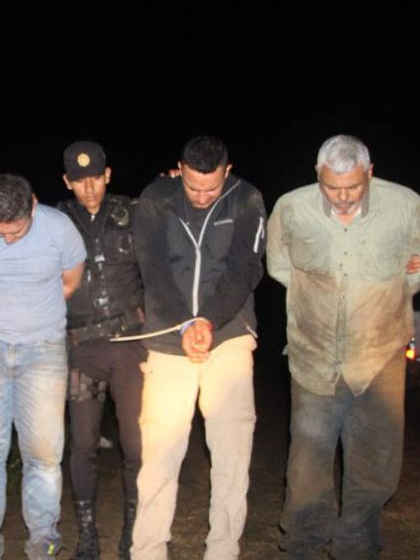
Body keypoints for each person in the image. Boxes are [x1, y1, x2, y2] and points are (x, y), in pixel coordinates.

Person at [266, 134, 420, 558]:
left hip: (379, 356)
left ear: (370, 173)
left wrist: (387, 291)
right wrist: (320, 300)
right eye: (331, 187)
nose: (342, 198)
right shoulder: (291, 209)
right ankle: (304, 545)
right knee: (307, 466)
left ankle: (357, 544)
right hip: (314, 356)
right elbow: (279, 267)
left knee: (375, 465)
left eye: (353, 187)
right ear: (317, 176)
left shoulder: (406, 206)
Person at [130, 136, 266, 560]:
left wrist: (207, 320)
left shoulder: (247, 199)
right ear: (180, 170)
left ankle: (223, 552)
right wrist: (185, 322)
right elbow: (152, 271)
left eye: (212, 187)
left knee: (230, 457)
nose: (203, 196)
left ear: (227, 171)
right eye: (193, 187)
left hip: (229, 335)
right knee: (159, 458)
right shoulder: (156, 198)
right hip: (169, 339)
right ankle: (148, 551)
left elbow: (246, 269)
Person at [0, 173, 86, 559]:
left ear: (33, 206)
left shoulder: (59, 229)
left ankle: (43, 537)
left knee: (43, 452)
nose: (7, 239)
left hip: (44, 348)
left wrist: (31, 316)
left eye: (16, 232)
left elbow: (70, 281)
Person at [56, 141, 145, 560]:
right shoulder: (55, 220)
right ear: (67, 181)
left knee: (136, 444)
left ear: (108, 175)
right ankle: (87, 534)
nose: (88, 188)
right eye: (79, 180)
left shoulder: (137, 212)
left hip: (130, 345)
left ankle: (133, 532)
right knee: (83, 443)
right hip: (82, 349)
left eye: (95, 178)